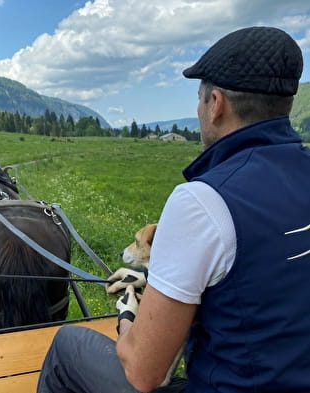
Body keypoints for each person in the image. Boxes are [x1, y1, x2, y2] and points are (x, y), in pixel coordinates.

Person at [36, 26, 310, 393]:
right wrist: (154, 282)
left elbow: (143, 371)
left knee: (67, 346)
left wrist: (128, 313)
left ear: (216, 104)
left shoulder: (203, 200)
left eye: (199, 101)